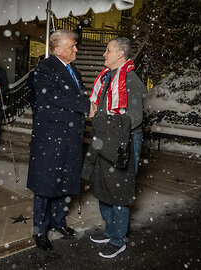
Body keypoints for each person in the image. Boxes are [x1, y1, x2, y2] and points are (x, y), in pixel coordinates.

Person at [26, 29, 97, 251]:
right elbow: (53, 96)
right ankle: (40, 230)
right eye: (71, 46)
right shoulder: (45, 67)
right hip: (51, 136)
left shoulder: (73, 69)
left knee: (65, 181)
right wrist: (86, 106)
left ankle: (59, 222)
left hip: (69, 136)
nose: (76, 49)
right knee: (46, 184)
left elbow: (72, 96)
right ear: (58, 49)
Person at [82, 37, 147, 259]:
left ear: (121, 54)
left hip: (123, 142)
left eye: (107, 50)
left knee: (118, 190)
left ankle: (118, 239)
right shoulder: (108, 78)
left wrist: (104, 121)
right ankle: (110, 231)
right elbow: (104, 109)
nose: (103, 54)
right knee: (102, 185)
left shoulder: (132, 82)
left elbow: (135, 118)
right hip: (105, 139)